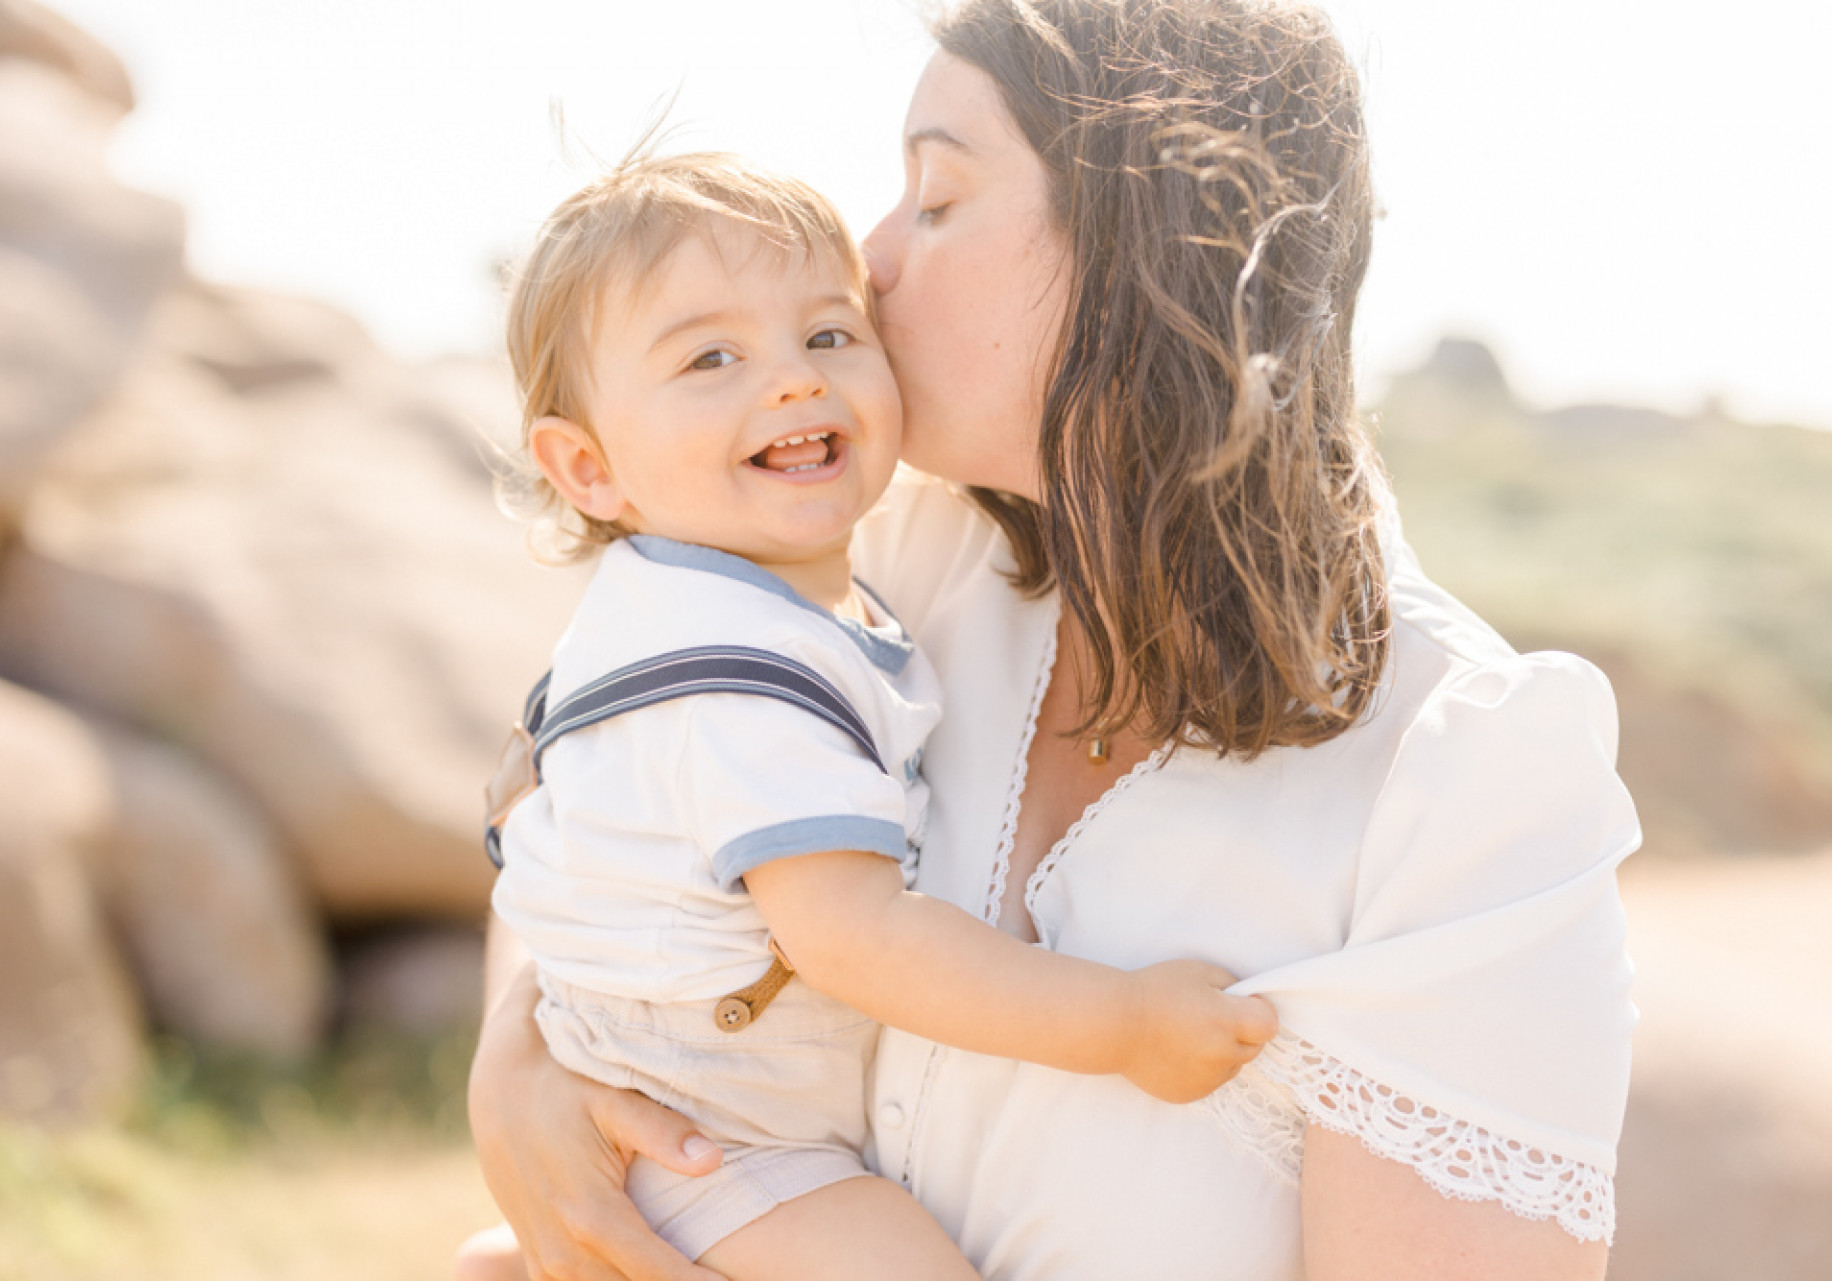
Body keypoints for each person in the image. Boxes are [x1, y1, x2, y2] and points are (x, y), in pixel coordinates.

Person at [465, 3, 1640, 1279]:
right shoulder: (894, 559)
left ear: (1147, 235)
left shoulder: (1460, 764)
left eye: (937, 196)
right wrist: (515, 1065)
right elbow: (582, 793)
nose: (871, 255)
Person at [463, 149, 1278, 1281]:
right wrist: (1126, 1026)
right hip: (717, 1139)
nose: (793, 380)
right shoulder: (740, 675)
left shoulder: (693, 603)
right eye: (711, 357)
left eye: (830, 335)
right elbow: (860, 941)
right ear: (589, 468)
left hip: (670, 1099)